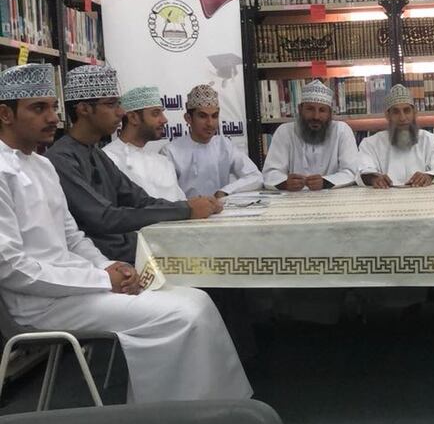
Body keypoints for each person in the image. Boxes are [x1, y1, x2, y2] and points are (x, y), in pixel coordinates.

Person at [0, 63, 251, 403]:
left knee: (197, 300)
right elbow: (11, 268)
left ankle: (216, 407)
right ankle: (163, 416)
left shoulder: (42, 165)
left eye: (53, 107)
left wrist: (111, 267)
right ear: (6, 114)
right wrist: (102, 279)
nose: (52, 118)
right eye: (38, 108)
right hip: (38, 303)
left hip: (77, 285)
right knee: (180, 315)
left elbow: (72, 237)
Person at [46, 65, 219, 264]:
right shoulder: (61, 159)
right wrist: (185, 210)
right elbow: (104, 217)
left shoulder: (96, 153)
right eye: (111, 104)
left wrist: (189, 206)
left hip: (131, 249)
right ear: (84, 109)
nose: (121, 112)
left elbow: (140, 200)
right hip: (101, 262)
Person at [165, 83, 262, 197]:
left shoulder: (224, 145)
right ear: (188, 118)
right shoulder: (170, 152)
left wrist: (225, 191)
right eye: (202, 116)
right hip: (187, 208)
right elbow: (167, 195)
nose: (210, 123)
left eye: (215, 116)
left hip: (221, 206)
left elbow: (255, 177)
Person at [262, 79, 358, 190]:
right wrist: (285, 183)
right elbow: (270, 173)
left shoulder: (342, 131)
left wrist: (325, 182)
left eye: (322, 110)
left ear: (330, 113)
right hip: (293, 197)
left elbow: (351, 171)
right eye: (310, 109)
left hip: (333, 196)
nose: (316, 116)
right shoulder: (284, 131)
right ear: (300, 109)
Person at [357, 84, 434, 187]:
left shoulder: (433, 141)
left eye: (406, 111)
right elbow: (363, 170)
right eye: (396, 112)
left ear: (414, 113)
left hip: (423, 195)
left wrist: (429, 176)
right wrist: (374, 178)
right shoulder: (370, 144)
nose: (402, 118)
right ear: (388, 116)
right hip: (385, 195)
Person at [104, 85, 186, 201]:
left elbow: (181, 203)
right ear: (133, 118)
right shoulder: (108, 159)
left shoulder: (163, 162)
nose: (164, 120)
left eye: (162, 113)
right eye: (155, 114)